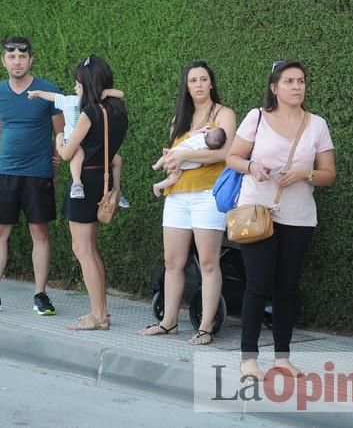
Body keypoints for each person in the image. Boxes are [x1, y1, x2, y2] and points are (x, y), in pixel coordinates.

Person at [225, 60, 335, 378]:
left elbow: (329, 174)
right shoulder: (257, 117)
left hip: (299, 216)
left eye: (301, 80)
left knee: (287, 287)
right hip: (257, 211)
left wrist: (306, 173)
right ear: (274, 87)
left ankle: (282, 358)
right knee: (258, 285)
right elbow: (233, 156)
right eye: (289, 81)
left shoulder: (317, 124)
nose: (297, 86)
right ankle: (248, 360)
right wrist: (252, 167)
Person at [0, 36, 63, 315]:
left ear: (31, 60)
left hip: (38, 174)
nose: (16, 61)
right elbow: (0, 132)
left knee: (39, 232)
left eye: (22, 57)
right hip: (5, 172)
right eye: (11, 57)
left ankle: (40, 295)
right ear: (3, 61)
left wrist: (54, 166)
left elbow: (61, 134)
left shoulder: (49, 91)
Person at [138, 60, 236, 345]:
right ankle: (168, 322)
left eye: (203, 79)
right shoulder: (180, 117)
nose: (199, 85)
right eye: (193, 80)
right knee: (173, 262)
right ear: (187, 85)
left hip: (208, 195)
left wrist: (182, 157)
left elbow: (226, 153)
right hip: (177, 195)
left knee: (208, 262)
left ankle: (206, 327)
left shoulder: (224, 114)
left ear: (212, 82)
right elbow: (173, 159)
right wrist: (173, 161)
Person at [58, 56, 128, 330]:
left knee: (82, 248)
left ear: (88, 84)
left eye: (78, 84)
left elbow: (66, 154)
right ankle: (102, 312)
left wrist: (59, 139)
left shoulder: (90, 113)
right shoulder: (118, 111)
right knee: (91, 248)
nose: (76, 88)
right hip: (104, 177)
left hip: (85, 180)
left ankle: (97, 316)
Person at [27, 81, 128, 206]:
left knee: (116, 159)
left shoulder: (93, 104)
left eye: (79, 86)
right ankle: (77, 184)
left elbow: (120, 93)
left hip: (86, 140)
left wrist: (105, 92)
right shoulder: (69, 100)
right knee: (78, 153)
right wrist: (38, 93)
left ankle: (116, 191)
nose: (75, 88)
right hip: (71, 140)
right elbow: (53, 96)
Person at [152, 127, 227, 197]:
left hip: (177, 150)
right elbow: (205, 164)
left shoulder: (199, 136)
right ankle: (158, 186)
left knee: (167, 156)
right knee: (173, 178)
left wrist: (201, 129)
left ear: (206, 133)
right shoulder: (206, 151)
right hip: (182, 163)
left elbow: (190, 134)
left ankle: (156, 166)